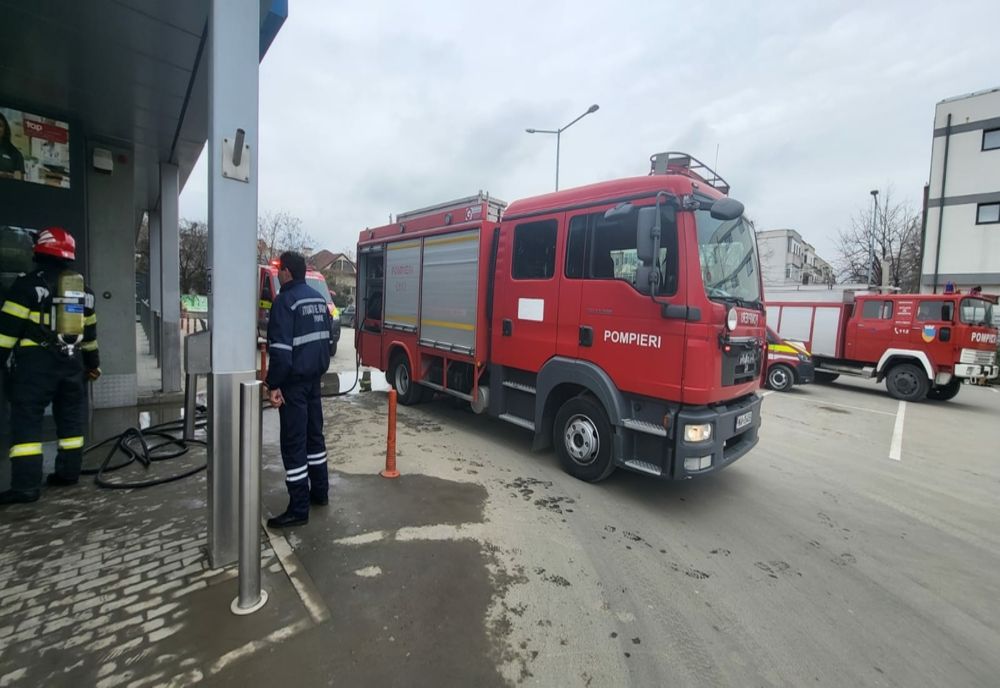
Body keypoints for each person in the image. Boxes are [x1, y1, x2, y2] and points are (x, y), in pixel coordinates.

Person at [0, 227, 100, 504]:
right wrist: (93, 365)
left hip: (35, 367)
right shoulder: (85, 292)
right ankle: (69, 473)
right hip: (72, 364)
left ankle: (25, 486)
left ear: (39, 252)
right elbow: (90, 337)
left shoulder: (26, 287)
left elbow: (6, 333)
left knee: (27, 424)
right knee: (71, 420)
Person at [265, 251, 332, 528]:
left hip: (293, 385)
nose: (278, 274)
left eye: (280, 270)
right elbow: (327, 342)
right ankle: (320, 493)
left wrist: (274, 384)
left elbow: (280, 352)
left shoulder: (284, 302)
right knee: (314, 439)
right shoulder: (318, 300)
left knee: (294, 444)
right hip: (314, 381)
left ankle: (298, 508)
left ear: (288, 272)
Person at [0, 112, 25, 181]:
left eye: (0, 125)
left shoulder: (15, 153)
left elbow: (20, 178)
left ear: (5, 129)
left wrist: (5, 175)